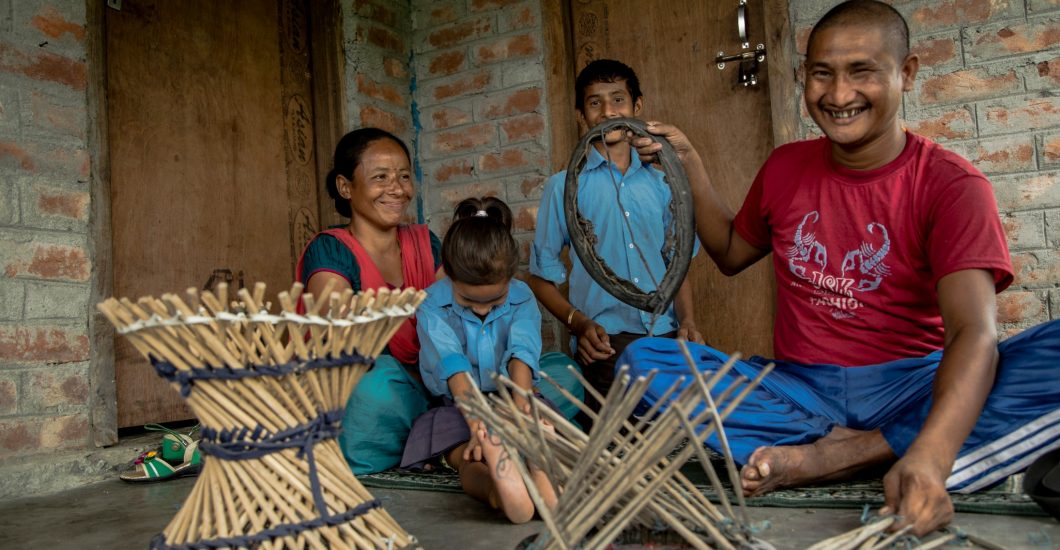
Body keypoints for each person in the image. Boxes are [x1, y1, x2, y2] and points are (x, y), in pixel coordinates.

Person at [623, 0, 1060, 536]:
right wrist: (687, 160)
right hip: (801, 392)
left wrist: (932, 456)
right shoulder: (785, 167)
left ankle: (856, 453)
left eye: (862, 72)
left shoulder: (951, 185)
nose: (838, 94)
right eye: (821, 73)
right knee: (642, 361)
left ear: (907, 73)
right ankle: (885, 444)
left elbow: (974, 332)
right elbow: (732, 252)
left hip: (912, 384)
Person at [528, 59, 702, 421]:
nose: (608, 112)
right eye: (595, 103)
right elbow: (541, 279)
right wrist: (580, 324)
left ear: (637, 107)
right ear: (581, 114)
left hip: (667, 337)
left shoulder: (663, 182)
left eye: (618, 100)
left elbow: (678, 265)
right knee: (621, 445)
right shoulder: (563, 188)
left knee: (688, 434)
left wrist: (687, 321)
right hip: (604, 344)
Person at [295, 127, 444, 475]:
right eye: (381, 177)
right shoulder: (330, 249)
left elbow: (454, 318)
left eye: (404, 176)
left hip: (436, 385)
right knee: (374, 388)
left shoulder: (426, 242)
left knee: (559, 373)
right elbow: (345, 337)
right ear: (345, 187)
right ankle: (443, 437)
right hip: (375, 392)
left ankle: (434, 437)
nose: (397, 189)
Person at [403, 197, 558, 524]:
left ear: (510, 279)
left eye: (495, 300)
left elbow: (522, 353)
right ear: (449, 276)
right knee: (467, 454)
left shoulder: (522, 295)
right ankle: (501, 489)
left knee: (542, 432)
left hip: (517, 397)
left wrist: (521, 411)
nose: (483, 310)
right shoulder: (431, 304)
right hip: (460, 406)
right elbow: (454, 368)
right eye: (469, 300)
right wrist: (479, 428)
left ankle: (537, 466)